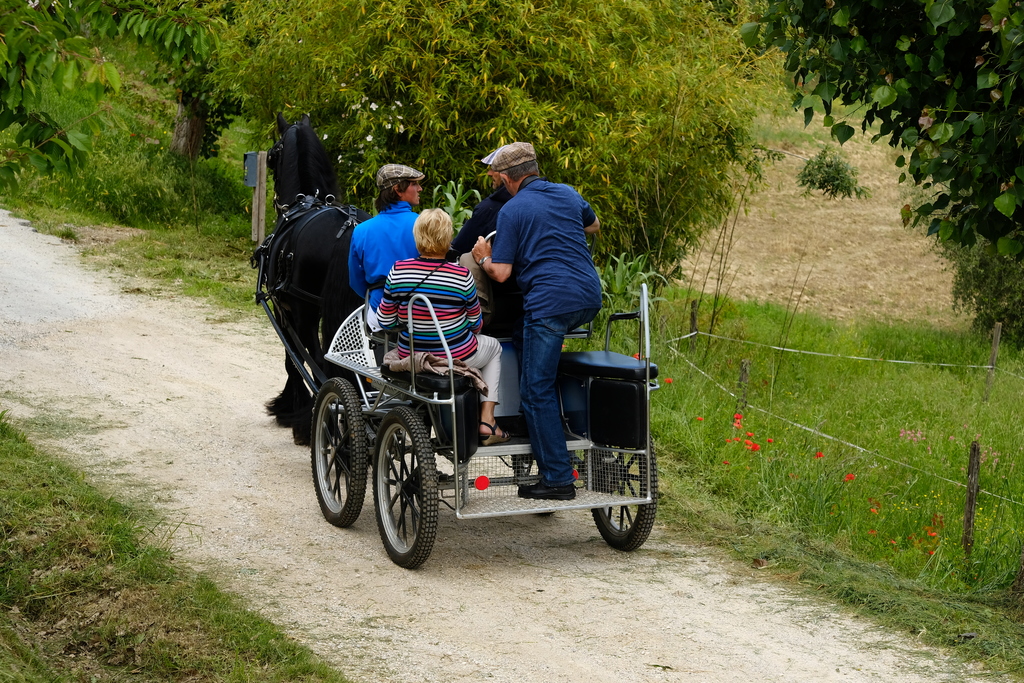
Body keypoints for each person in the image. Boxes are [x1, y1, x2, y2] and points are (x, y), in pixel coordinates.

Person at [470, 142, 601, 500]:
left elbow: (501, 273)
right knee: (523, 333)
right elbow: (594, 226)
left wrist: (482, 257)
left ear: (507, 179)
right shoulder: (568, 193)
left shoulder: (512, 209)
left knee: (536, 389)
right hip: (589, 297)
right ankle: (536, 423)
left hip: (550, 304)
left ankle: (558, 479)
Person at [378, 208, 510, 445]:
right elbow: (476, 324)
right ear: (448, 238)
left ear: (418, 236)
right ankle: (487, 420)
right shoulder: (462, 275)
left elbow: (385, 321)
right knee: (494, 348)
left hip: (411, 354)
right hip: (454, 356)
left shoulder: (398, 270)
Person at [348, 163, 425, 330]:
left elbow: (356, 280)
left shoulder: (361, 231)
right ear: (397, 189)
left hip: (379, 314)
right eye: (414, 184)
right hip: (421, 312)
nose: (420, 188)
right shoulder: (424, 225)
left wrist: (377, 294)